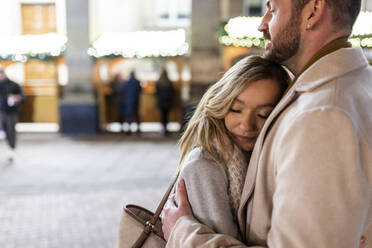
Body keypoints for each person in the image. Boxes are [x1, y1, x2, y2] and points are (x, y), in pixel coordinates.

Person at [162, 0, 372, 247]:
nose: (262, 24)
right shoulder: (354, 86)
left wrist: (183, 234)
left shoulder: (323, 115)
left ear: (313, 11)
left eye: (272, 9)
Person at [161, 55, 289, 240]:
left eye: (263, 114)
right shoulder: (204, 165)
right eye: (236, 109)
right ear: (222, 104)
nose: (247, 124)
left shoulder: (264, 158)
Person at [0, 68, 24, 162]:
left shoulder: (13, 84)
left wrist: (17, 97)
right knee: (3, 129)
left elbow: (22, 95)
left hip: (11, 112)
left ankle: (12, 149)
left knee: (11, 131)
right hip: (1, 112)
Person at [155, 69, 175, 136]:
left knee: (162, 116)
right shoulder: (169, 82)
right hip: (167, 102)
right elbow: (172, 92)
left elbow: (156, 93)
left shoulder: (158, 83)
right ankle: (166, 129)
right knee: (166, 116)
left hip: (161, 102)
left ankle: (163, 129)